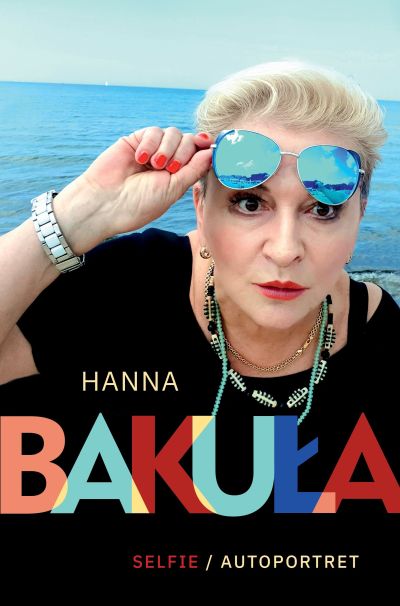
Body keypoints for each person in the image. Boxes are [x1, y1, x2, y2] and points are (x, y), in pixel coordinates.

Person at [0, 60, 399, 581]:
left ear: (360, 215)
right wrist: (78, 216)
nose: (284, 250)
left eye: (322, 210)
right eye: (250, 203)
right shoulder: (125, 287)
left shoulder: (379, 337)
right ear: (200, 205)